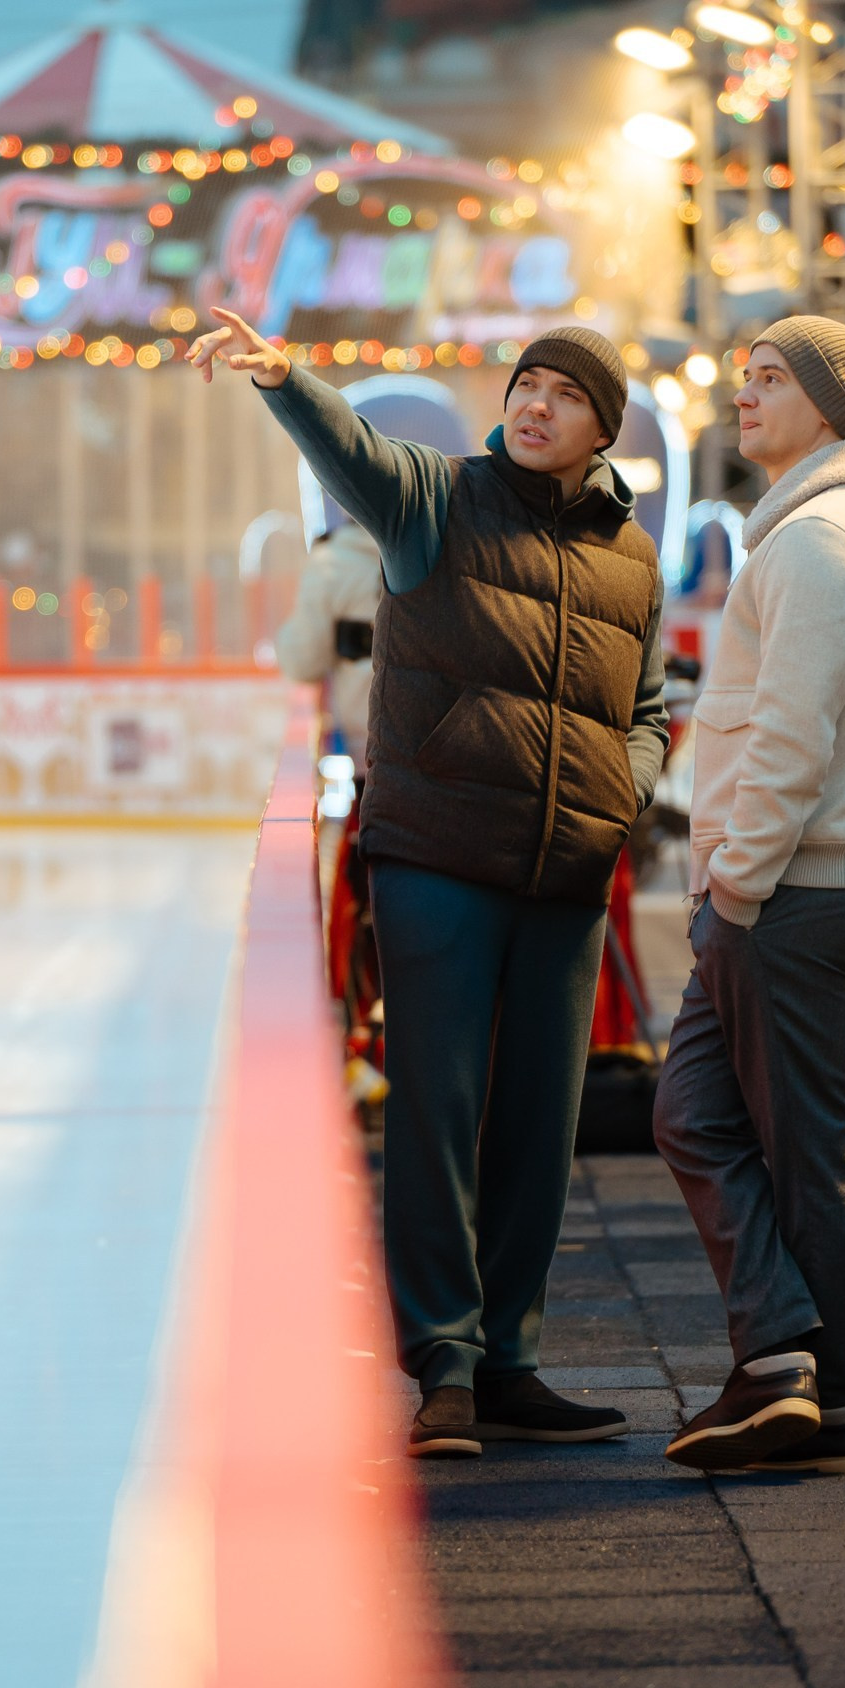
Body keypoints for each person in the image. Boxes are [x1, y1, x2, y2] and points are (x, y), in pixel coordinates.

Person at [190, 309, 671, 1460]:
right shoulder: (436, 499)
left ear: (602, 426)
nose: (535, 404)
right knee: (438, 1112)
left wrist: (622, 787)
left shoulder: (630, 554)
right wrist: (285, 380)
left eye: (564, 392)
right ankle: (443, 1361)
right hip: (439, 857)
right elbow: (352, 451)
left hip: (563, 868)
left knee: (536, 1126)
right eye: (526, 384)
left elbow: (645, 710)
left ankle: (511, 1358)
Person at [653, 318, 845, 1477]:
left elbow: (790, 738)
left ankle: (837, 1401)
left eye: (773, 380)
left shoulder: (820, 540)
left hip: (792, 889)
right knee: (698, 1113)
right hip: (799, 884)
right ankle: (780, 1360)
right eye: (745, 377)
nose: (744, 397)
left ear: (830, 404)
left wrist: (734, 881)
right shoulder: (828, 527)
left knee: (801, 1147)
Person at [274, 524, 385, 771]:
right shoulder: (452, 539)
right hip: (455, 743)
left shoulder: (331, 562)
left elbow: (303, 661)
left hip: (372, 746)